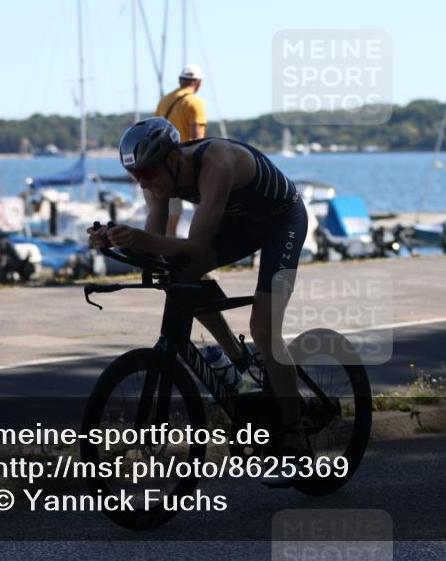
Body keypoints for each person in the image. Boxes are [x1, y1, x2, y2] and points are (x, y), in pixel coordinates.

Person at [86, 118, 308, 459]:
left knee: (264, 328)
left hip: (282, 221)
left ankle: (294, 437)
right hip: (241, 223)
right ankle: (240, 360)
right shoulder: (156, 179)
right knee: (180, 274)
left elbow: (196, 245)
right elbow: (155, 247)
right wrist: (113, 240)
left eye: (148, 173)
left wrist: (138, 238)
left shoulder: (216, 163)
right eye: (136, 177)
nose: (144, 182)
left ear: (173, 159)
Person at [155, 64, 207, 238]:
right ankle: (200, 248)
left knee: (172, 213)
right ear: (198, 83)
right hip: (187, 165)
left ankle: (166, 254)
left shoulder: (165, 100)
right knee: (203, 209)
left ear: (180, 81)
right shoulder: (194, 102)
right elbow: (196, 138)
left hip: (164, 165)